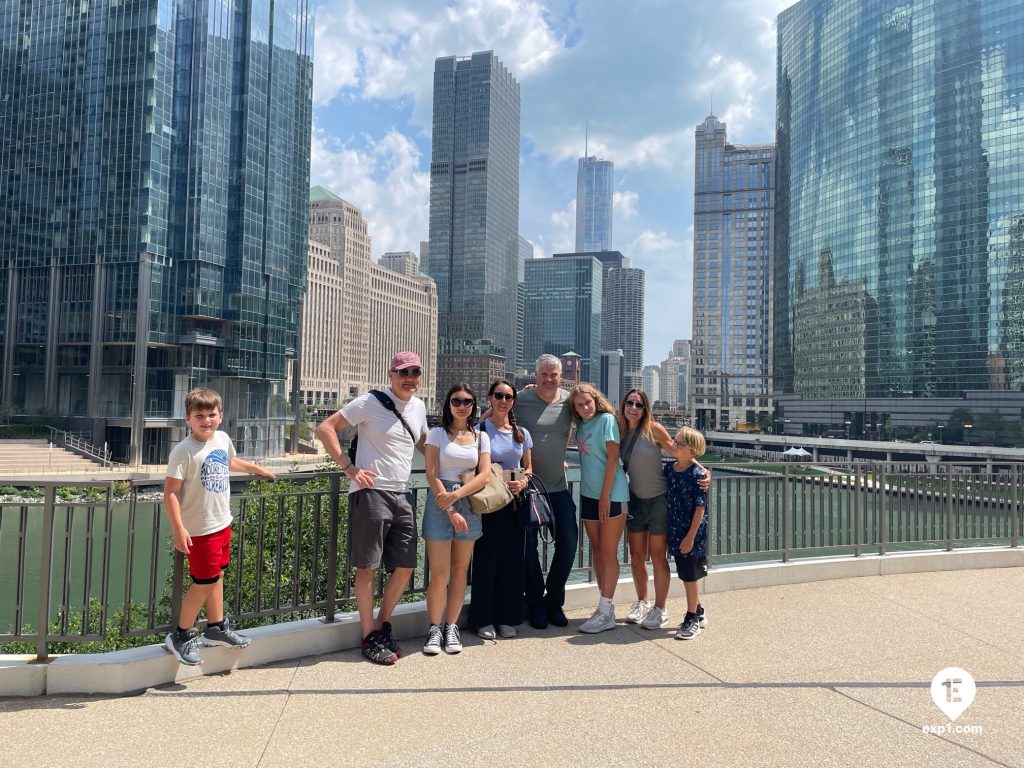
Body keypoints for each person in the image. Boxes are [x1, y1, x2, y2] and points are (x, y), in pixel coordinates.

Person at [316, 351, 429, 665]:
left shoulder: (419, 407)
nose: (410, 379)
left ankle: (381, 626)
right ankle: (368, 635)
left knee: (406, 565)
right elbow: (326, 428)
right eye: (404, 372)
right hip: (370, 492)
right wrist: (349, 468)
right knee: (367, 568)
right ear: (391, 375)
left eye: (415, 373)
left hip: (403, 494)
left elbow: (421, 442)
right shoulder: (370, 402)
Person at [163, 387, 276, 665]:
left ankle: (216, 628)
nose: (206, 421)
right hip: (199, 530)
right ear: (187, 419)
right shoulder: (183, 451)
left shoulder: (222, 439)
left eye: (211, 415)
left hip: (222, 522)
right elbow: (170, 493)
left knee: (217, 577)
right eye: (199, 415)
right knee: (204, 582)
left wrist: (256, 469)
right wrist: (179, 528)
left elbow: (229, 461)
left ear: (220, 416)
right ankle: (181, 634)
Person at [421, 383, 492, 655]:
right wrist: (449, 506)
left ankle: (451, 627)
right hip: (440, 500)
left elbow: (484, 474)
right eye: (456, 401)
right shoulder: (436, 434)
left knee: (460, 571)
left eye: (467, 401)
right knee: (439, 573)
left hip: (469, 500)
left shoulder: (480, 437)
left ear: (474, 406)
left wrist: (457, 497)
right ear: (448, 404)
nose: (462, 405)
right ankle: (434, 628)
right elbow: (431, 473)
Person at [514, 354, 578, 629]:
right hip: (529, 489)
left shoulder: (570, 400)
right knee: (527, 548)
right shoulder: (520, 399)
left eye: (554, 375)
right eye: (544, 374)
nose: (550, 379)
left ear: (561, 375)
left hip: (558, 486)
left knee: (569, 543)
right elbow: (492, 419)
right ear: (535, 375)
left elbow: (594, 416)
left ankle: (554, 601)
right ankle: (536, 605)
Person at [470, 380, 533, 640]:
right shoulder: (480, 431)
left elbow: (529, 468)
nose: (503, 400)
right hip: (489, 502)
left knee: (512, 561)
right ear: (490, 397)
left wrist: (524, 481)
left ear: (513, 402)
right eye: (498, 395)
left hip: (515, 502)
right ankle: (483, 618)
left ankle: (508, 617)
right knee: (486, 561)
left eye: (508, 397)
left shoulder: (522, 433)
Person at [569, 382, 630, 634]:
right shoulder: (581, 425)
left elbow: (613, 459)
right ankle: (605, 609)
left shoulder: (606, 420)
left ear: (597, 400)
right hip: (588, 495)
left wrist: (605, 495)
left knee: (607, 552)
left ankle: (605, 610)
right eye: (579, 405)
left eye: (588, 402)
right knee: (596, 550)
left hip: (611, 494)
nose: (584, 408)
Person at [617, 389, 676, 630]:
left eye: (638, 405)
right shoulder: (619, 431)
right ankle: (642, 601)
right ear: (623, 405)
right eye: (629, 403)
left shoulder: (655, 429)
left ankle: (660, 608)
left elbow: (677, 453)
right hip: (635, 500)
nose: (633, 408)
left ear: (645, 408)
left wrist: (702, 471)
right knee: (636, 555)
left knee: (658, 556)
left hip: (659, 500)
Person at [665, 426, 710, 640]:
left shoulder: (697, 475)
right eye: (675, 440)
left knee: (690, 576)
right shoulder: (670, 469)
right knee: (685, 573)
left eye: (680, 443)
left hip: (692, 535)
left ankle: (692, 618)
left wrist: (690, 537)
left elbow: (700, 508)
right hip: (675, 531)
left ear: (693, 451)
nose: (674, 444)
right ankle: (698, 611)